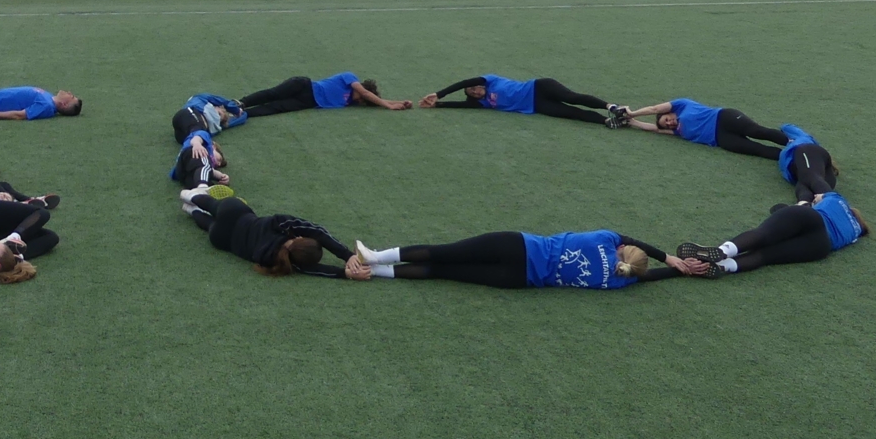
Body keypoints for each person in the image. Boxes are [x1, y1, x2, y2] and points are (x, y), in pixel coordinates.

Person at [353, 230, 698, 287]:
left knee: (447, 251)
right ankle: (379, 272)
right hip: (518, 280)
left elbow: (630, 238)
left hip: (517, 246)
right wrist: (679, 273)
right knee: (444, 271)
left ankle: (376, 256)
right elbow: (644, 276)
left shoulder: (604, 238)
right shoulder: (618, 281)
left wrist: (668, 257)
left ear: (621, 248)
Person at [180, 190, 371, 278]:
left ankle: (189, 194)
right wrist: (344, 273)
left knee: (214, 204)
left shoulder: (280, 224)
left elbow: (316, 231)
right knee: (210, 225)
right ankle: (190, 210)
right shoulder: (278, 261)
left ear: (299, 238)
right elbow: (313, 270)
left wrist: (347, 254)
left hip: (234, 212)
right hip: (221, 238)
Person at [677, 192, 868, 276]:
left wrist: (812, 200)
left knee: (763, 235)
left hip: (811, 218)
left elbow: (819, 197)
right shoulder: (856, 233)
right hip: (821, 245)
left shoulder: (838, 200)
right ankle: (723, 266)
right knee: (765, 256)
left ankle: (723, 251)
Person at [417, 75, 626, 126]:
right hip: (535, 105)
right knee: (569, 113)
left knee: (572, 97)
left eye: (474, 88)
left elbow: (463, 82)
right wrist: (438, 105)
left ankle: (610, 106)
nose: (475, 91)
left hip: (538, 86)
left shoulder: (490, 80)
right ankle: (607, 121)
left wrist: (439, 93)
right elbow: (460, 105)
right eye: (472, 93)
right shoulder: (483, 103)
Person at [622, 99, 788, 158]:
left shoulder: (682, 104)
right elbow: (655, 129)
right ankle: (792, 156)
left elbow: (654, 109)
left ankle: (792, 140)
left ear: (669, 112)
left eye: (667, 119)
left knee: (757, 132)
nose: (670, 123)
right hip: (721, 139)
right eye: (667, 124)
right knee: (756, 150)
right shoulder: (677, 131)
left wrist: (633, 113)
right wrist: (633, 123)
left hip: (724, 118)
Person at [240, 72, 411, 118]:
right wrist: (389, 106)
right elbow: (366, 93)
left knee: (275, 108)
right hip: (304, 86)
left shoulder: (350, 101)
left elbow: (374, 100)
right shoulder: (350, 78)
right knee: (273, 94)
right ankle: (241, 103)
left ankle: (243, 114)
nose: (362, 100)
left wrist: (399, 102)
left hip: (307, 102)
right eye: (363, 98)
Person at [777, 124, 838, 200]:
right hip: (816, 177)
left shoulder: (803, 142)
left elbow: (788, 127)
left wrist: (783, 129)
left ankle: (836, 204)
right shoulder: (794, 155)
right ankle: (804, 205)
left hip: (805, 151)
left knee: (811, 180)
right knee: (805, 184)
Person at [172, 93, 245, 142]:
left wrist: (238, 111)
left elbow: (236, 120)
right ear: (215, 106)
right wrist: (236, 110)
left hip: (183, 135)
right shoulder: (201, 103)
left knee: (195, 134)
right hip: (186, 119)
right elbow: (221, 101)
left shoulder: (216, 127)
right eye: (219, 113)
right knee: (196, 132)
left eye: (219, 116)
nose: (216, 115)